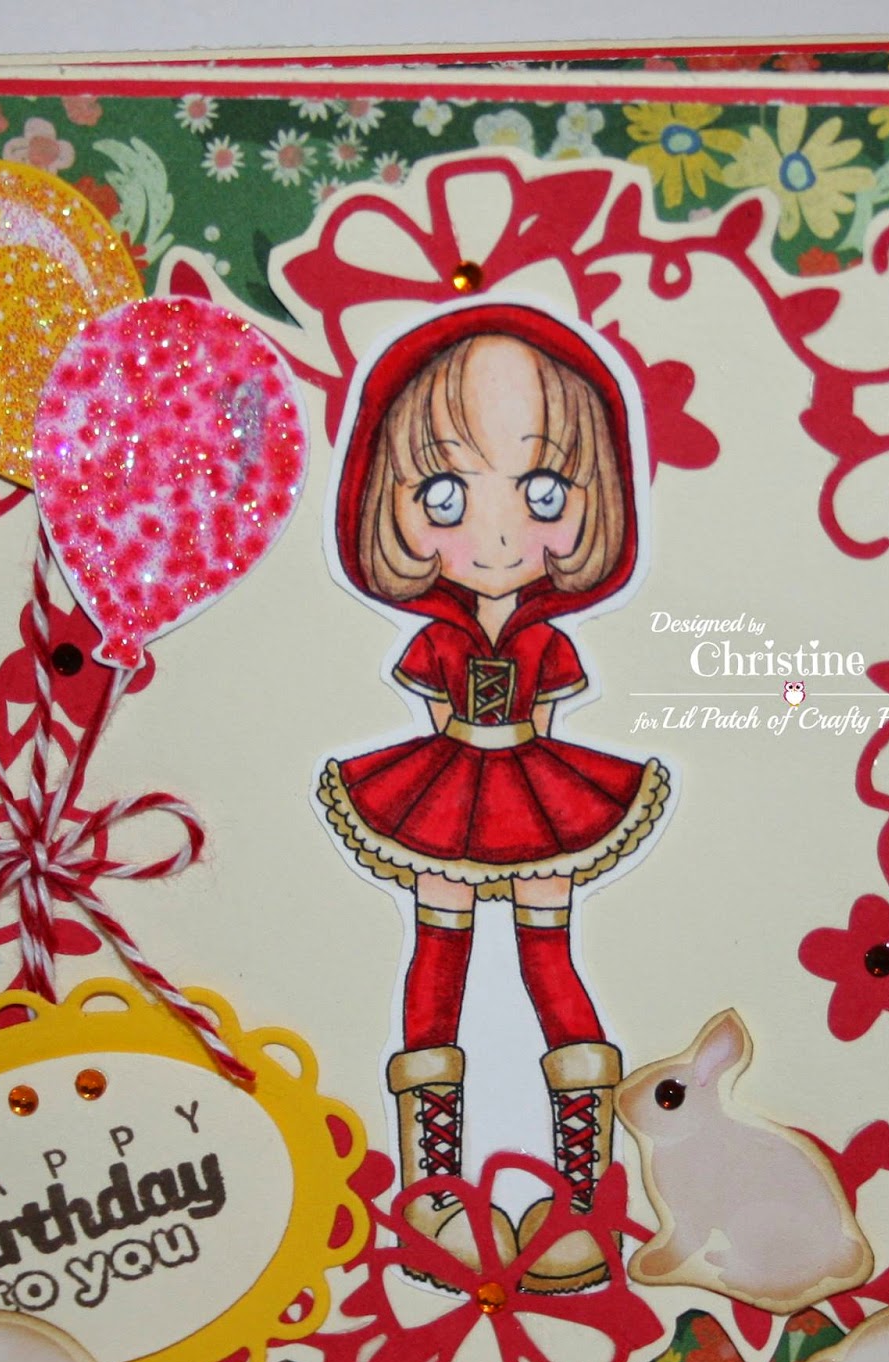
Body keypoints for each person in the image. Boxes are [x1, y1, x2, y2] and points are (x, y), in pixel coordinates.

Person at [318, 303, 669, 1290]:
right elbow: (439, 709)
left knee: (548, 959)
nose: (500, 530)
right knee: (440, 960)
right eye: (443, 494)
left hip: (537, 793)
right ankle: (434, 1191)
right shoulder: (439, 639)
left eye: (544, 490)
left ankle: (582, 1194)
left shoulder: (545, 641)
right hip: (443, 790)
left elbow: (543, 716)